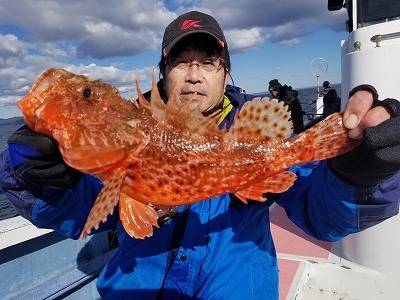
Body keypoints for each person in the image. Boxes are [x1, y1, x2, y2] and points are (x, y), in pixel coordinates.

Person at [1, 11, 400, 300]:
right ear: (164, 71)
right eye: (181, 61)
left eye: (208, 61)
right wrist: (37, 177)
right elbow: (84, 215)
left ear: (226, 73)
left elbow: (322, 214)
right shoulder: (124, 139)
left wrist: (361, 172)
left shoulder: (250, 134)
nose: (194, 74)